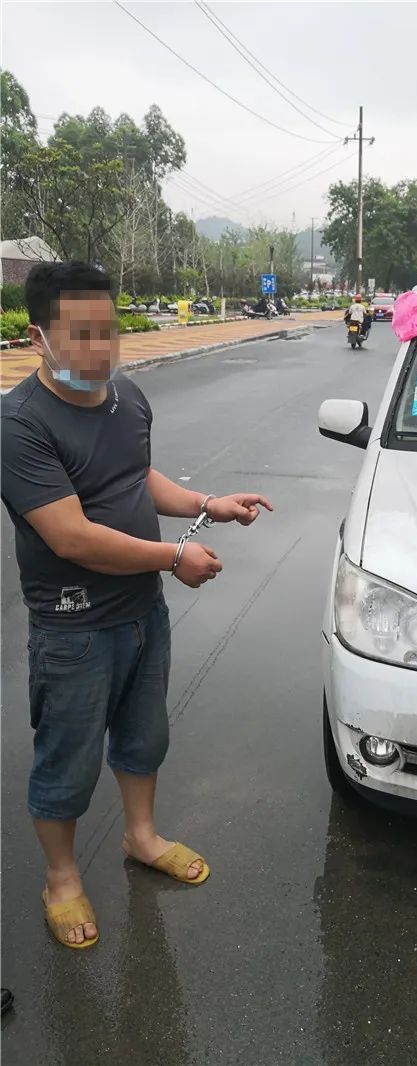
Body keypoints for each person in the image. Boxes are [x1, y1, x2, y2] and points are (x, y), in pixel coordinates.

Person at [0, 262, 272, 950]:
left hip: (142, 614)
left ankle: (140, 835)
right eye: (80, 334)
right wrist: (175, 558)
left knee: (144, 738)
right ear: (39, 337)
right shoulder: (18, 425)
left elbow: (134, 475)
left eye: (109, 331)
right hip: (73, 625)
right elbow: (72, 538)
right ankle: (61, 878)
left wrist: (205, 504)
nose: (100, 348)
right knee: (67, 759)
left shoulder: (127, 398)